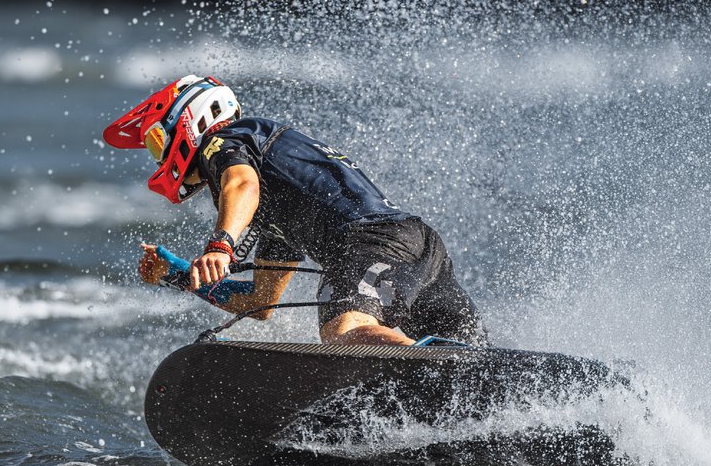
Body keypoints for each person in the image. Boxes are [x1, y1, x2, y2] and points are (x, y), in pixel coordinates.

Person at [103, 75, 487, 346]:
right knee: (463, 355)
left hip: (370, 245)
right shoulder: (276, 198)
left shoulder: (223, 140)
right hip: (418, 247)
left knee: (344, 332)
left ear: (190, 120)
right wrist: (177, 275)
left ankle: (438, 367)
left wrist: (221, 245)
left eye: (156, 145)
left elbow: (242, 184)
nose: (158, 160)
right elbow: (261, 302)